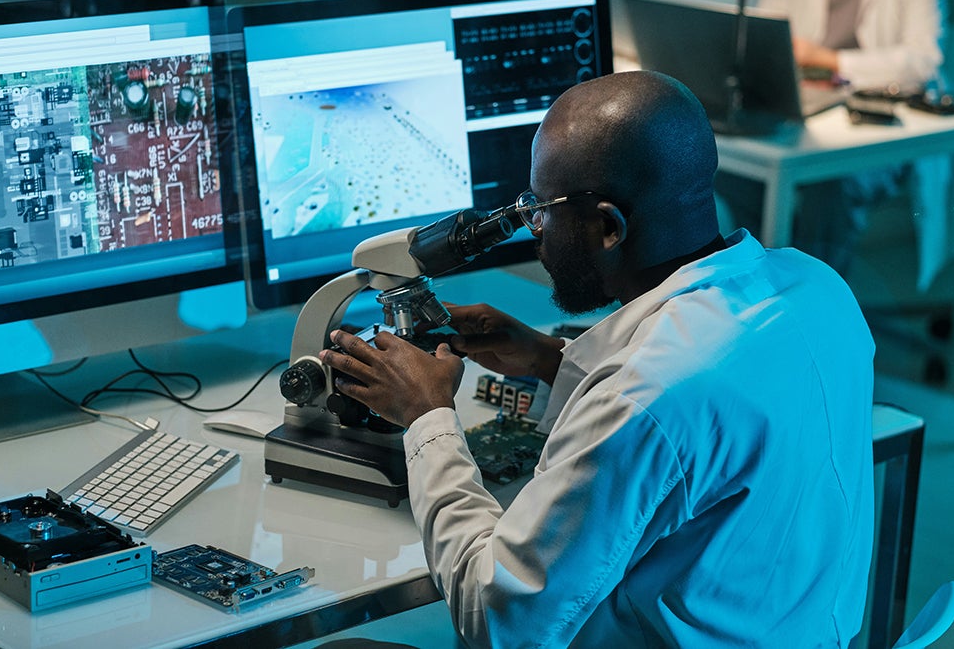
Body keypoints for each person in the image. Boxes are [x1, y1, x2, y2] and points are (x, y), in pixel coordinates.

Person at [321, 70, 876, 647]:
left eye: (540, 209)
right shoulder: (819, 289)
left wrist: (426, 416)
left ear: (608, 227)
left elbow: (496, 619)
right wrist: (548, 360)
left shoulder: (647, 396)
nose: (534, 231)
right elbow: (702, 444)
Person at [716, 0, 950, 285]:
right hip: (812, 106)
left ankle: (818, 305)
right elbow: (764, 31)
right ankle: (770, 288)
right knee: (732, 173)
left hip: (887, 123)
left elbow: (924, 60)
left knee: (829, 184)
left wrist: (829, 59)